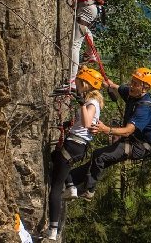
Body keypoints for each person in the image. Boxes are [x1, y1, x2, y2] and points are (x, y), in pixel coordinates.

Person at [67, 67, 151, 199]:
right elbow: (113, 86)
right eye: (132, 81)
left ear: (145, 88)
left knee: (99, 156)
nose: (131, 85)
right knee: (96, 161)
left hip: (138, 147)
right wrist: (96, 78)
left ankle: (89, 191)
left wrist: (105, 129)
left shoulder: (144, 108)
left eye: (135, 84)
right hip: (132, 140)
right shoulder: (133, 93)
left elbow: (128, 131)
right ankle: (69, 179)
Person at [45, 67, 106, 240]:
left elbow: (87, 123)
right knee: (54, 157)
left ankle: (52, 230)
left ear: (85, 84)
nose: (76, 85)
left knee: (55, 188)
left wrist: (80, 103)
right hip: (78, 146)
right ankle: (71, 187)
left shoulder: (91, 103)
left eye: (78, 82)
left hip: (74, 145)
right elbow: (85, 124)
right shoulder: (92, 102)